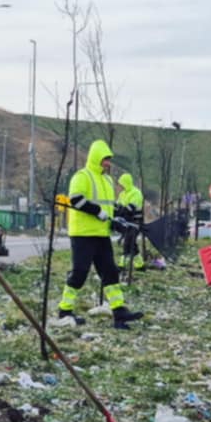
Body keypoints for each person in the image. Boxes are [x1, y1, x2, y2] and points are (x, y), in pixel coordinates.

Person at [59, 140, 143, 329]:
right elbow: (76, 200)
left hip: (101, 234)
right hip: (83, 234)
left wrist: (117, 218)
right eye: (105, 159)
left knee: (110, 272)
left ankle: (119, 312)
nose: (108, 163)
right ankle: (65, 310)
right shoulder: (82, 176)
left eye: (109, 160)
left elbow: (109, 206)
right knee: (80, 272)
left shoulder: (107, 180)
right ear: (96, 158)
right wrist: (97, 212)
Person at [115, 170, 146, 277]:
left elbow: (129, 209)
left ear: (126, 183)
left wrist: (120, 210)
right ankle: (140, 265)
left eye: (121, 184)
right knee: (132, 243)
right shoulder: (122, 194)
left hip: (135, 222)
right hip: (126, 222)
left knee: (128, 242)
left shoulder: (136, 193)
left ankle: (122, 265)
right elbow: (118, 207)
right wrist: (118, 210)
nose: (119, 187)